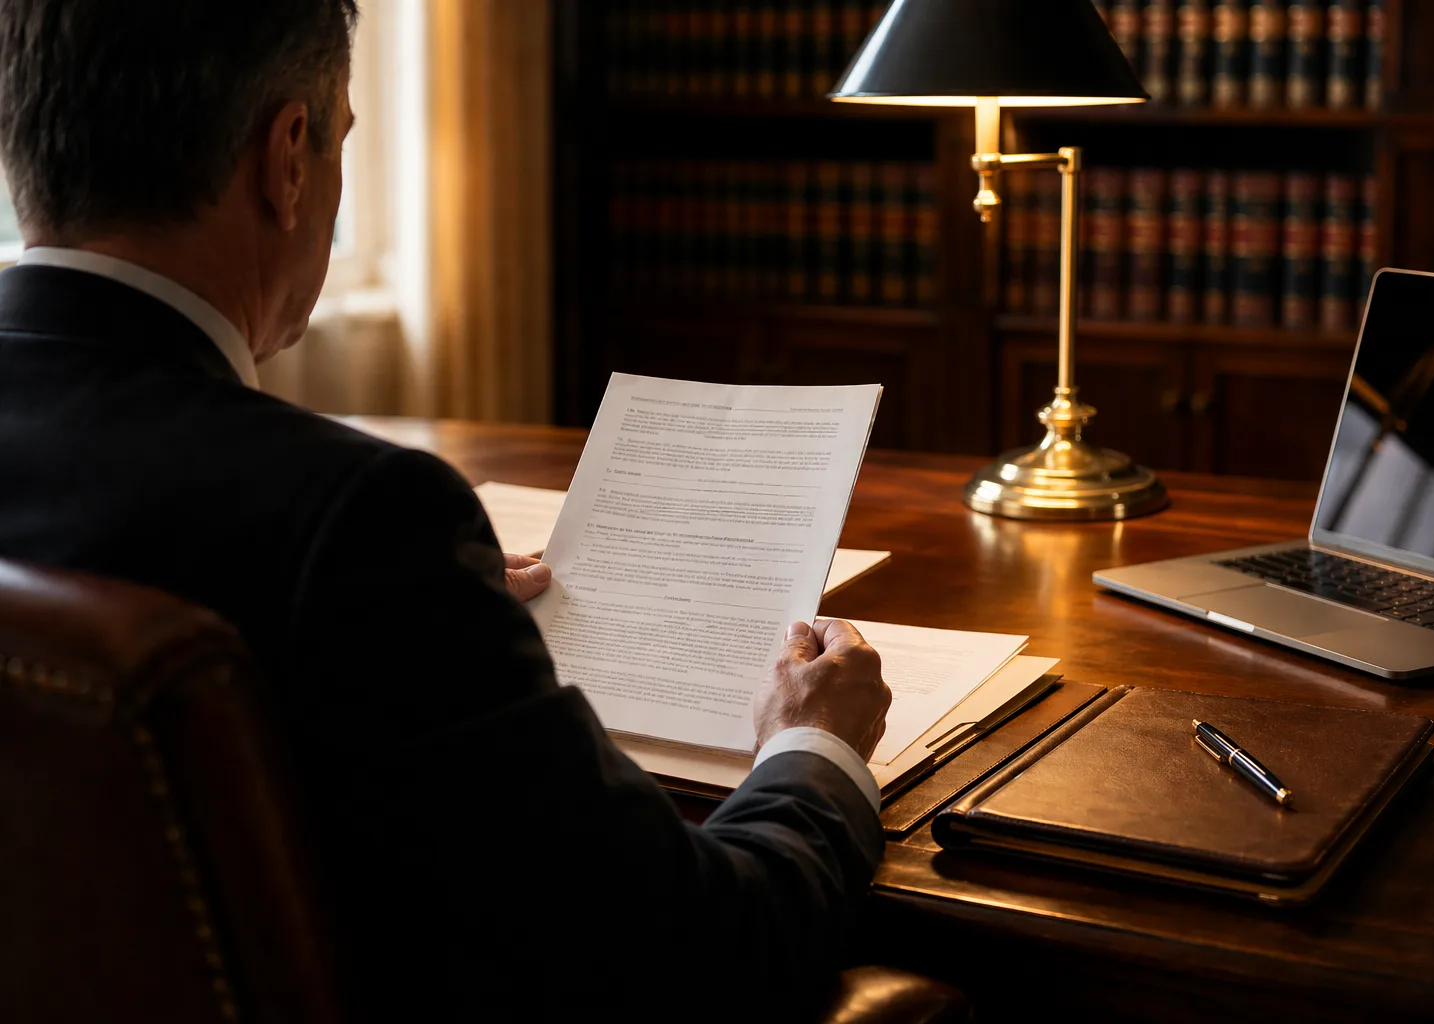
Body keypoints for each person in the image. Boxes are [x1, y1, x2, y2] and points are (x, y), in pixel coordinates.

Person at [0, 2, 892, 1020]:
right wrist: (813, 750)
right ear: (288, 158)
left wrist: (443, 630)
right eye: (338, 137)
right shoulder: (361, 524)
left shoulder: (365, 559)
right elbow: (702, 952)